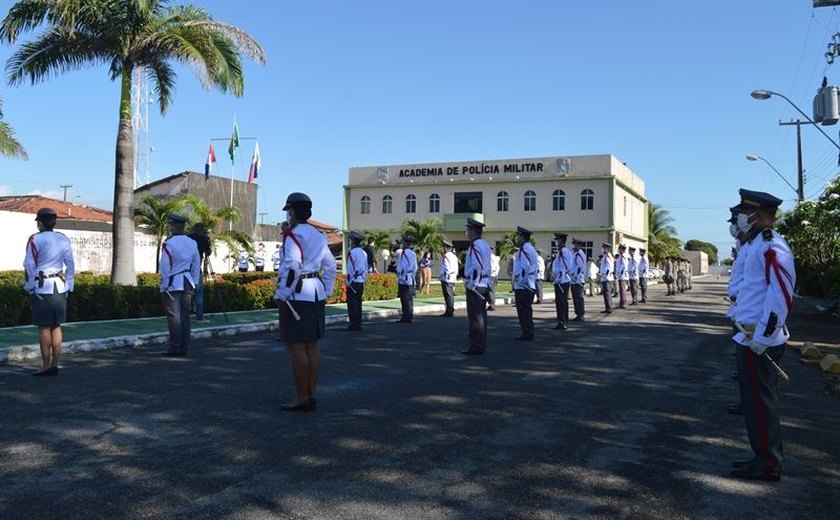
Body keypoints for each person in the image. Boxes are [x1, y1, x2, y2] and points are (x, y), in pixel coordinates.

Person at [729, 188, 795, 482]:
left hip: (761, 339)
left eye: (745, 212)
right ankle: (761, 455)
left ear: (760, 214)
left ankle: (769, 463)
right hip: (749, 335)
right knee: (755, 406)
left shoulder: (772, 246)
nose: (741, 218)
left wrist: (765, 336)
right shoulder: (756, 244)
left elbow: (780, 293)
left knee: (761, 405)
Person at [274, 193, 337, 412]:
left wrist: (282, 293)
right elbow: (330, 266)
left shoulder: (293, 235)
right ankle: (310, 394)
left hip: (297, 294)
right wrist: (327, 289)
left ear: (291, 211)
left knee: (298, 347)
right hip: (315, 292)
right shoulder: (318, 235)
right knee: (312, 346)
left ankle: (301, 396)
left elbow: (292, 266)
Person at [24, 207, 75, 376]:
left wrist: (30, 285)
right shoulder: (63, 239)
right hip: (59, 285)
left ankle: (45, 365)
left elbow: (29, 265)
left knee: (44, 326)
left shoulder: (35, 239)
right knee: (56, 326)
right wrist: (69, 285)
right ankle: (55, 363)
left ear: (40, 222)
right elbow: (70, 265)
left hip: (42, 285)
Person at [159, 213, 201, 357]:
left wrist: (164, 285)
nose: (170, 227)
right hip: (187, 281)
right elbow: (196, 264)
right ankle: (184, 347)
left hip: (173, 282)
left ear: (174, 226)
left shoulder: (169, 243)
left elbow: (165, 266)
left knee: (173, 316)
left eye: (171, 225)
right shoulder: (192, 242)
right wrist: (195, 283)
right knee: (185, 316)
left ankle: (175, 347)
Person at [462, 218, 492, 354]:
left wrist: (472, 284)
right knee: (481, 317)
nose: (466, 232)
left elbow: (476, 267)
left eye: (468, 230)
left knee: (475, 317)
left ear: (472, 231)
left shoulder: (475, 246)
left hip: (476, 285)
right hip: (484, 284)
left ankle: (476, 346)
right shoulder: (485, 244)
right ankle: (481, 343)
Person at [512, 226, 538, 340]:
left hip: (524, 285)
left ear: (522, 237)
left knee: (524, 311)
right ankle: (527, 332)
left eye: (518, 236)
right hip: (528, 283)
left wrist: (521, 282)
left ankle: (527, 333)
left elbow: (525, 268)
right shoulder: (528, 248)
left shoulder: (525, 249)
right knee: (525, 311)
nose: (517, 238)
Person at [187, 223, 211, 321]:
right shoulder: (203, 239)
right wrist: (207, 240)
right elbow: (208, 252)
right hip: (196, 268)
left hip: (185, 267)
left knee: (186, 292)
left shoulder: (187, 238)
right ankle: (199, 316)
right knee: (198, 293)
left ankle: (183, 315)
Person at [344, 230, 367, 331]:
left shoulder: (352, 252)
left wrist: (349, 281)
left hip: (353, 281)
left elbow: (350, 269)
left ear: (353, 241)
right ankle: (358, 323)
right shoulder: (363, 252)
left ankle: (353, 324)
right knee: (358, 303)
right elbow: (365, 267)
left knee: (352, 304)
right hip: (361, 280)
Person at [551, 232, 573, 330]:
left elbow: (567, 265)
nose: (556, 242)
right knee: (561, 302)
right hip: (560, 279)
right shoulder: (562, 251)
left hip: (562, 280)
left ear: (560, 241)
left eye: (557, 240)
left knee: (561, 302)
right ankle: (562, 321)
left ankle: (562, 322)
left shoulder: (564, 251)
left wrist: (561, 274)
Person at [395, 235, 417, 323]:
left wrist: (401, 275)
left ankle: (406, 316)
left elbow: (404, 266)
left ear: (405, 243)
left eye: (403, 242)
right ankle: (409, 315)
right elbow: (415, 267)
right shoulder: (413, 253)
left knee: (405, 299)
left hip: (404, 278)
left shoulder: (404, 253)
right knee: (409, 299)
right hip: (410, 278)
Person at [439, 239, 459, 317]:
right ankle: (450, 309)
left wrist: (443, 276)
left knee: (448, 295)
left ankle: (449, 310)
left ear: (446, 248)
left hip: (447, 278)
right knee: (451, 294)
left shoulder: (446, 256)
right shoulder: (454, 256)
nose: (442, 249)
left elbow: (447, 268)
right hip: (453, 277)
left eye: (443, 247)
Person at [570, 239, 587, 322]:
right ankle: (578, 314)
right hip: (574, 279)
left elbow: (580, 267)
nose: (574, 246)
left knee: (578, 298)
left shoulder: (579, 254)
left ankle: (581, 315)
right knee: (575, 297)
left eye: (575, 245)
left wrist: (575, 276)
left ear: (579, 246)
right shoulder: (576, 254)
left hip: (578, 280)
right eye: (573, 244)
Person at [599, 243, 614, 314]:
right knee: (606, 294)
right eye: (602, 247)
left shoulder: (608, 256)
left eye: (604, 248)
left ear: (606, 249)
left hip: (607, 278)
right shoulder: (605, 256)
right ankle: (607, 307)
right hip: (604, 277)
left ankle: (609, 308)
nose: (602, 249)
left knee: (607, 293)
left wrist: (606, 275)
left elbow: (609, 267)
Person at [615, 244, 629, 309]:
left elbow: (624, 267)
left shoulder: (623, 257)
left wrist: (621, 274)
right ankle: (621, 303)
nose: (619, 250)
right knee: (621, 290)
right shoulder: (620, 257)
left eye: (620, 249)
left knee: (623, 290)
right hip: (620, 275)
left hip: (622, 275)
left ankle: (623, 303)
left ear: (622, 250)